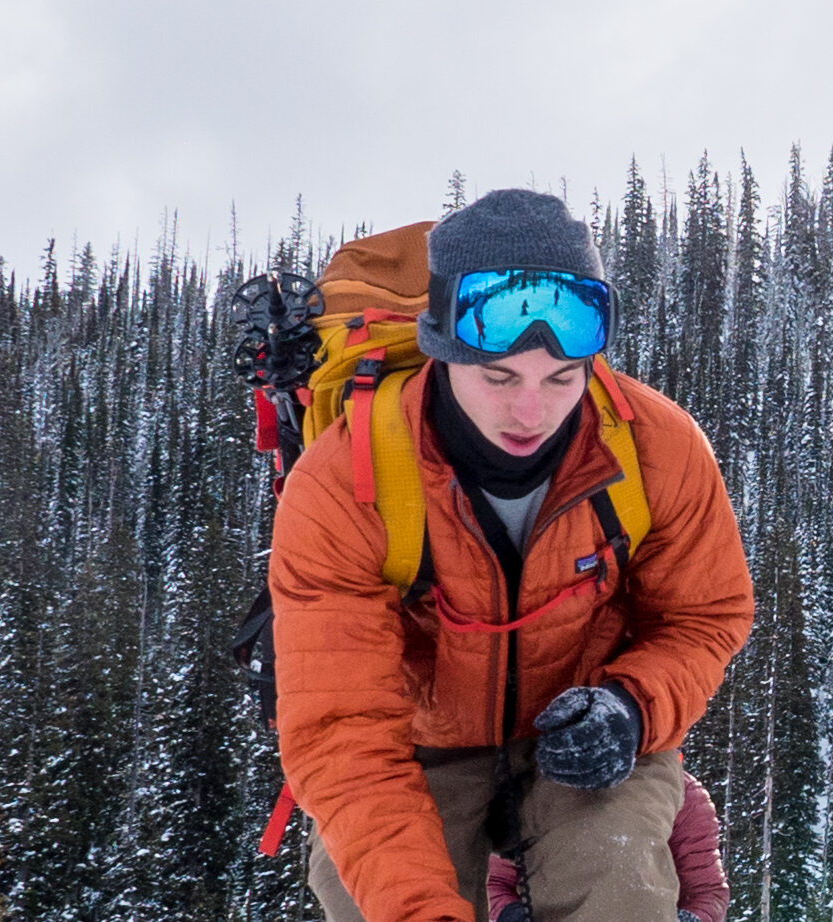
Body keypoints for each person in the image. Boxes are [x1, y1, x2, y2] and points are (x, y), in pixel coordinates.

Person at [268, 189, 754, 922]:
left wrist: (633, 705)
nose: (532, 412)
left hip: (588, 728)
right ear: (440, 349)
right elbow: (344, 732)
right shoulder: (344, 481)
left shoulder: (659, 448)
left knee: (620, 882)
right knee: (368, 895)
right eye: (499, 378)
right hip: (416, 749)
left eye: (562, 379)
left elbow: (706, 615)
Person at [487, 768, 730, 922]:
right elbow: (494, 883)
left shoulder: (685, 797)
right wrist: (512, 916)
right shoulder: (532, 789)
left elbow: (707, 893)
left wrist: (687, 920)